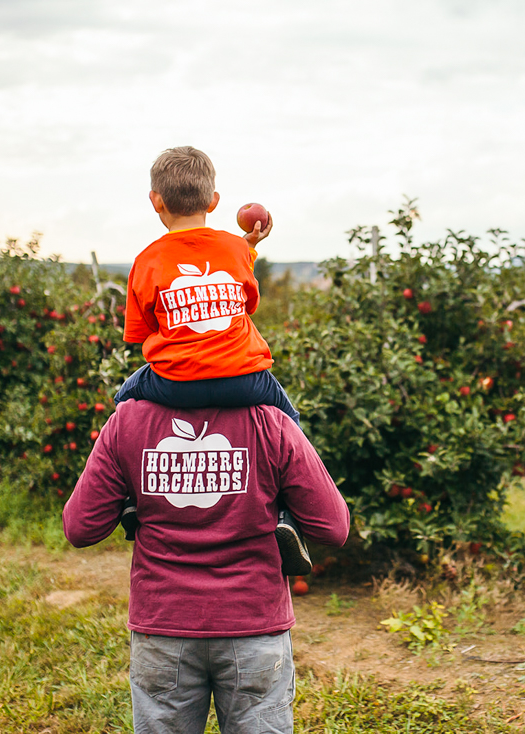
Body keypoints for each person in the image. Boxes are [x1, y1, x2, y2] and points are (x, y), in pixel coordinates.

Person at [62, 400, 350, 733]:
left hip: (163, 627)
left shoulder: (127, 421)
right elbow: (333, 527)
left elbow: (81, 528)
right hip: (253, 625)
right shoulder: (270, 422)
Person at [113, 145, 309, 574]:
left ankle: (130, 496)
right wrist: (248, 247)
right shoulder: (235, 250)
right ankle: (290, 515)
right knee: (290, 420)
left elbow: (139, 334)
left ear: (156, 201)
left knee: (123, 400)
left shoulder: (146, 261)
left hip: (175, 381)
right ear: (215, 201)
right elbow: (248, 301)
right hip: (244, 377)